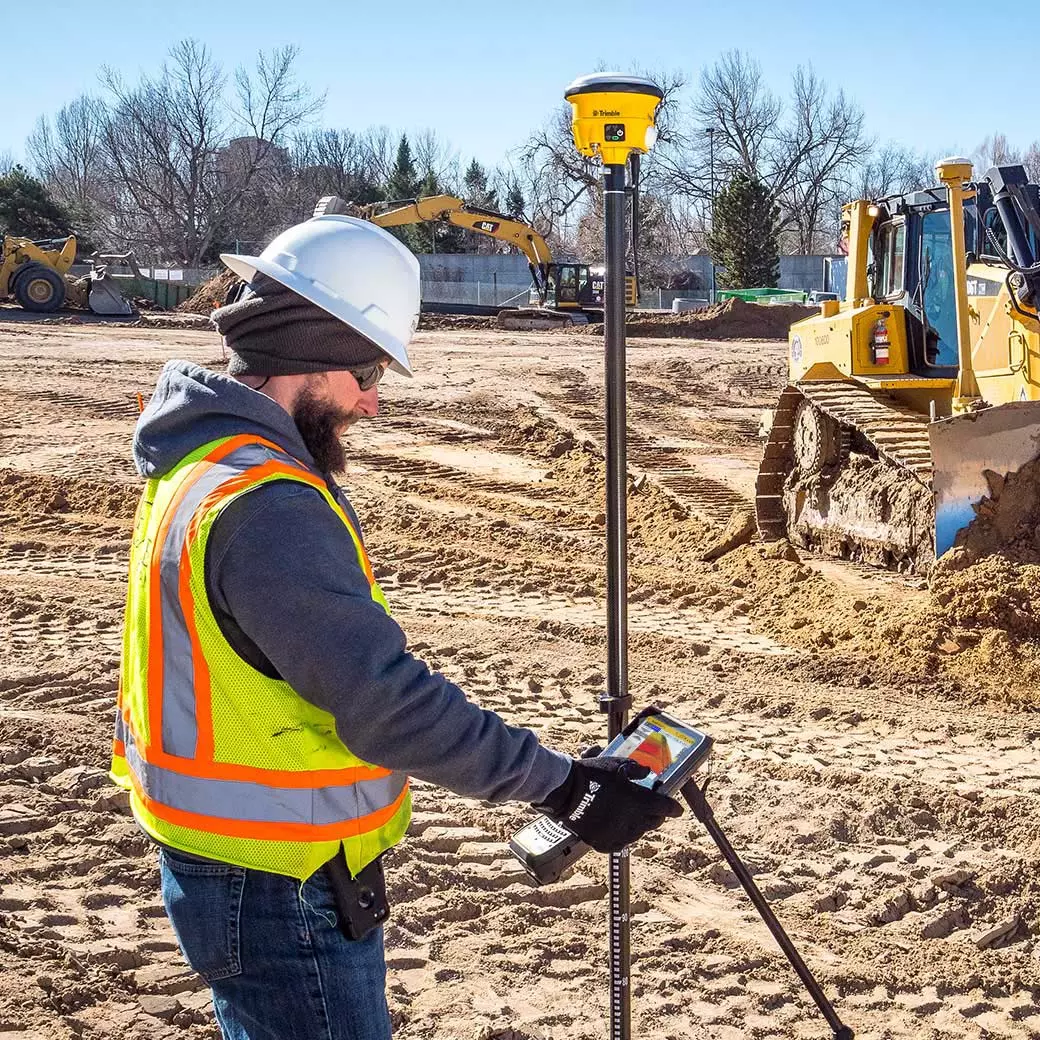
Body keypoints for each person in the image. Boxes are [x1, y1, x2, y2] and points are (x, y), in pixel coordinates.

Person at [111, 213, 682, 1040]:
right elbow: (386, 702)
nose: (374, 400)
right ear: (305, 353)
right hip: (280, 880)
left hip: (231, 862)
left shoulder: (201, 464)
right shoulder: (267, 505)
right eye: (367, 368)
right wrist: (565, 786)